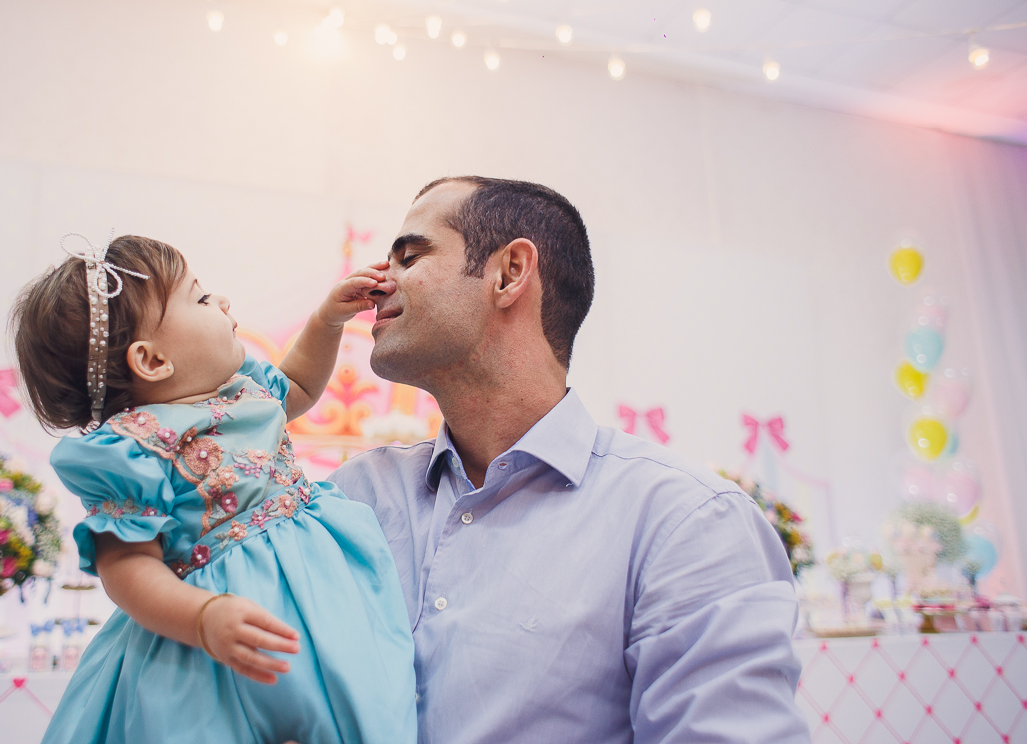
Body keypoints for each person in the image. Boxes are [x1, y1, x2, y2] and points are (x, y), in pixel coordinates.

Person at [331, 177, 812, 743]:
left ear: (509, 274)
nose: (375, 283)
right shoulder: (356, 498)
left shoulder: (683, 520)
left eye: (409, 256)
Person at [9, 233, 416, 744]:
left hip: (318, 595)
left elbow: (303, 386)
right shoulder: (136, 448)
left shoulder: (245, 391)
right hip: (212, 635)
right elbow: (126, 567)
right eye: (200, 298)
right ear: (152, 361)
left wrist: (327, 321)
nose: (222, 302)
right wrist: (202, 617)